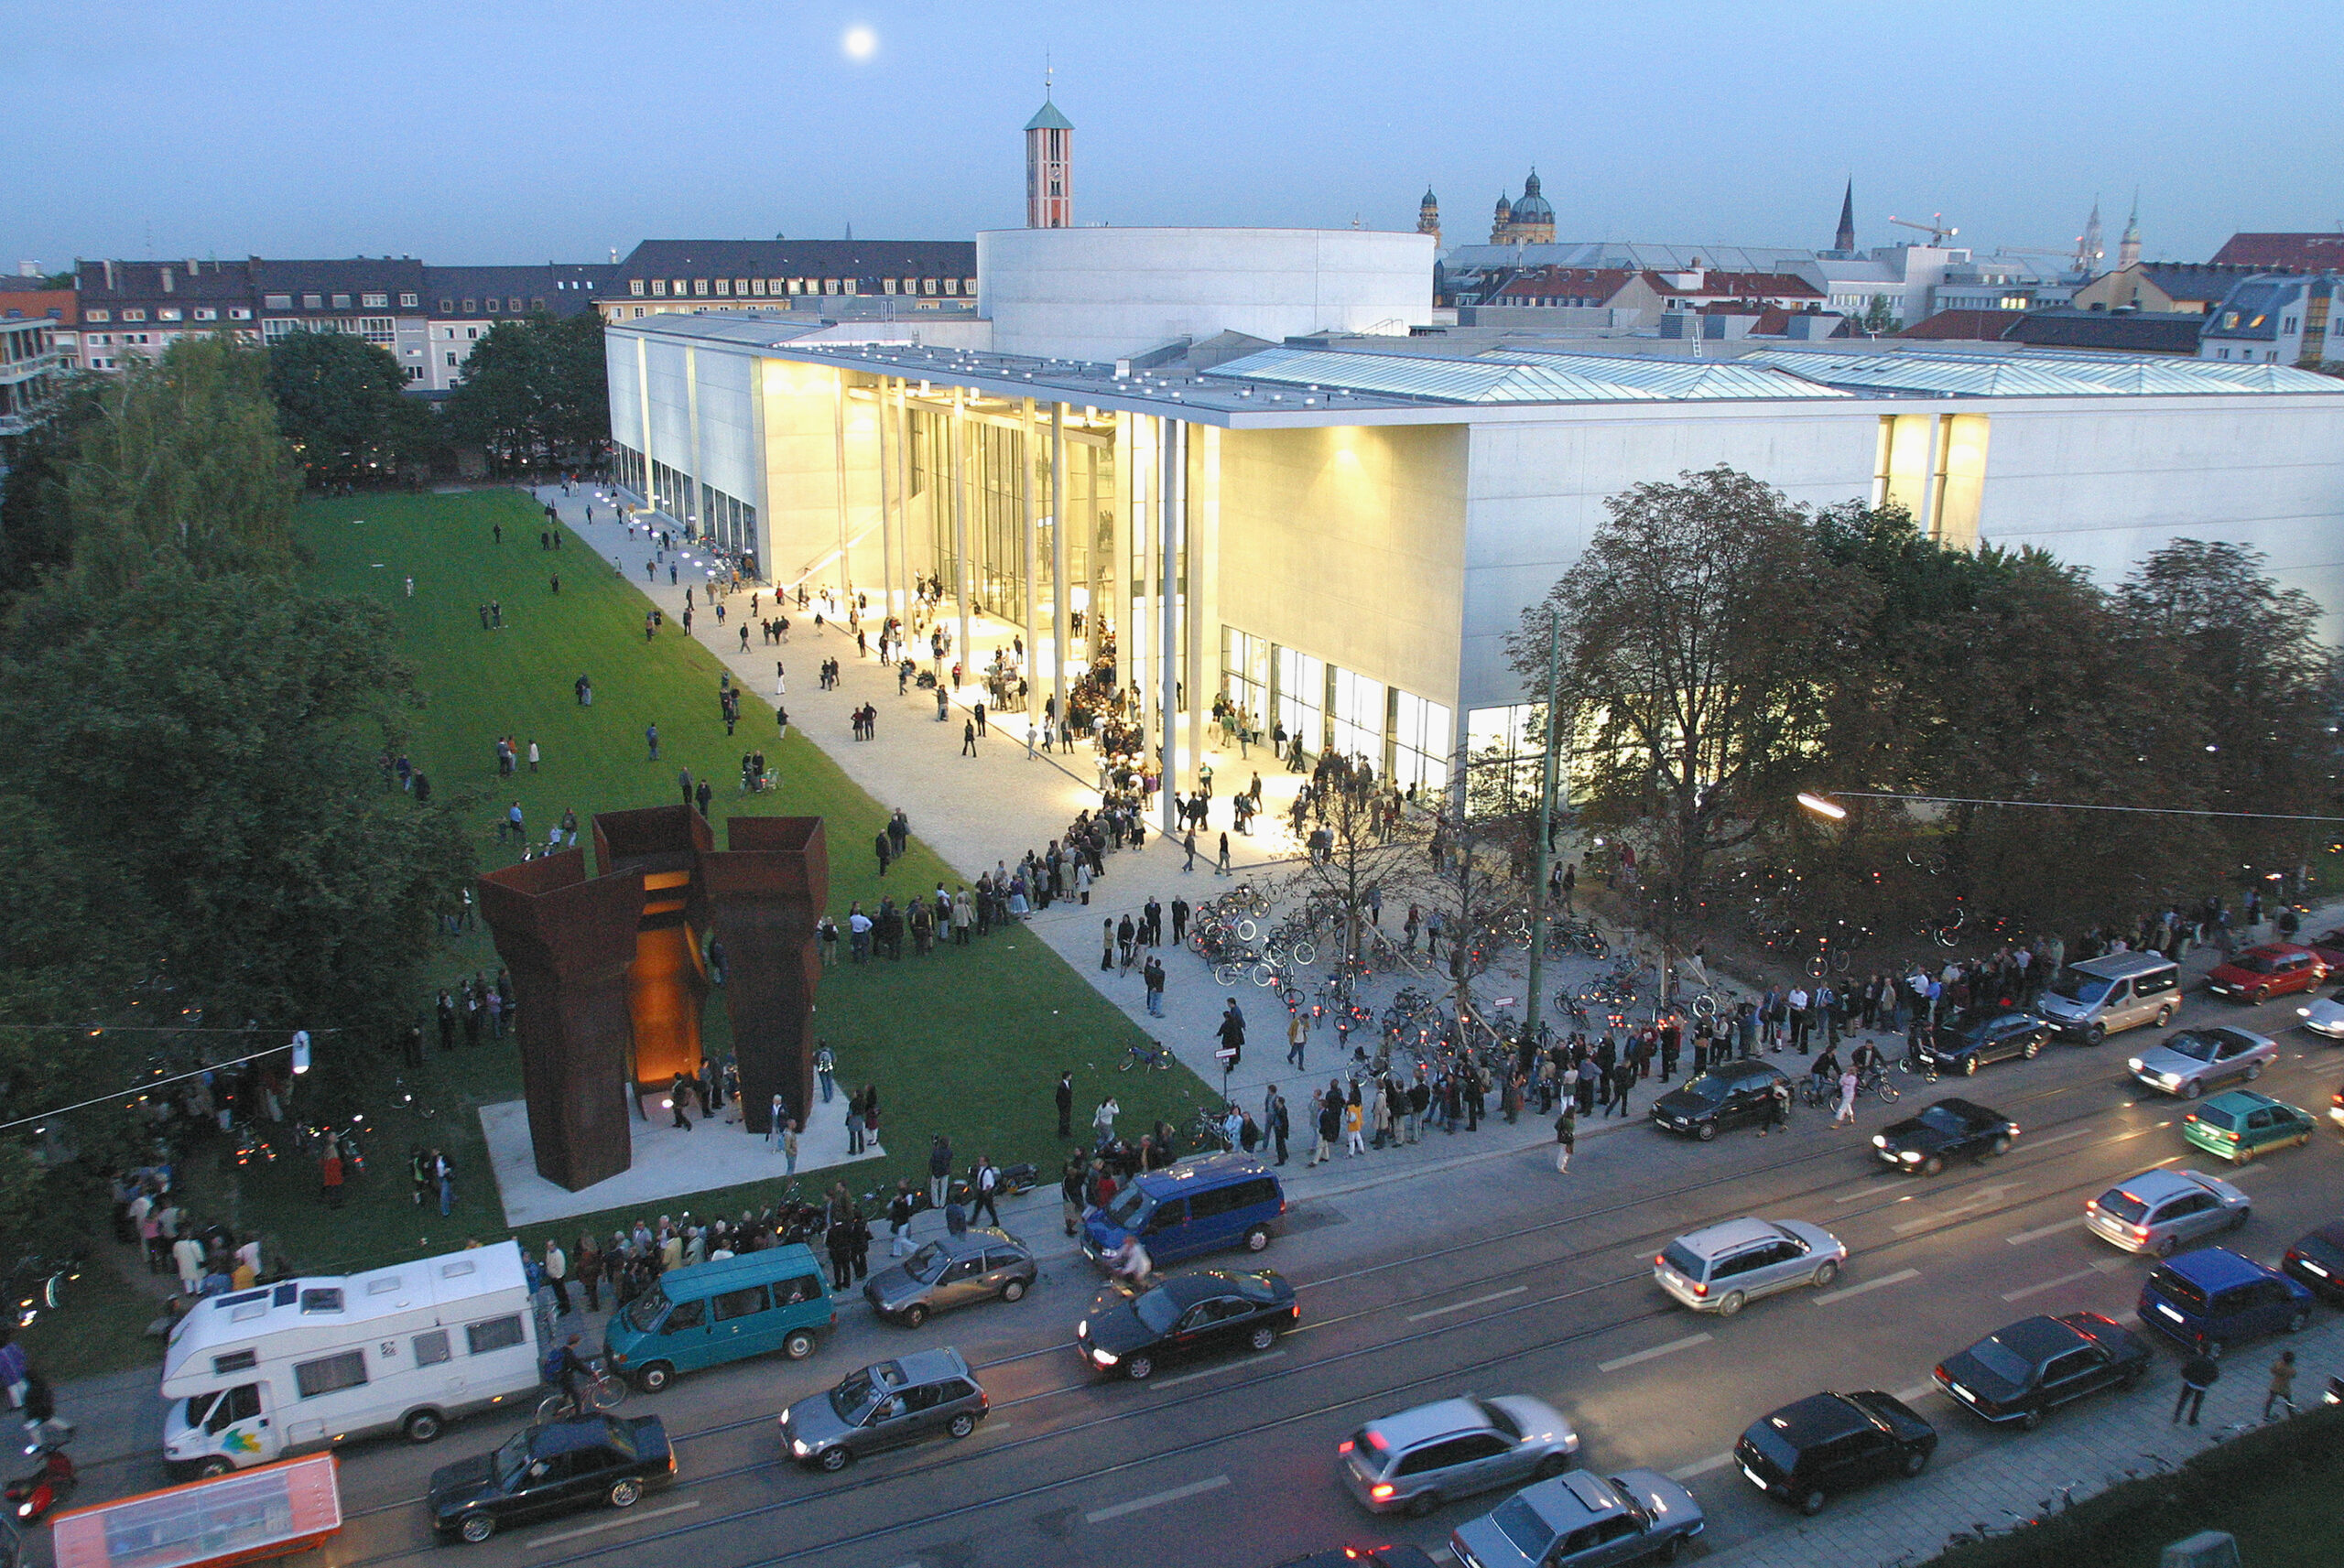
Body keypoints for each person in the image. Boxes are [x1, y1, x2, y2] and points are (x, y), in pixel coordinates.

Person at [2174, 1350, 2219, 1425]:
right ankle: (2192, 1420)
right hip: (2202, 1386)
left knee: (2183, 1400)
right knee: (2197, 1404)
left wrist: (2187, 1377)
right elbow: (2215, 1376)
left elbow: (2185, 1369)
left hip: (2190, 1383)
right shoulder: (2211, 1363)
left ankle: (2177, 1416)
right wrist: (2207, 1382)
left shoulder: (2194, 1359)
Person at [2265, 1350, 2298, 1419]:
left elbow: (2272, 1370)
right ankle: (2291, 1413)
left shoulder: (2278, 1365)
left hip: (2275, 1385)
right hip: (2285, 1387)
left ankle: (2267, 1414)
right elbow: (2293, 1376)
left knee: (2271, 1400)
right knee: (2289, 1401)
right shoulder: (2291, 1369)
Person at [927, 1135, 954, 1208]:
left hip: (937, 1173)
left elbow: (932, 1161)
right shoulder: (949, 1151)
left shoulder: (936, 1152)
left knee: (934, 1187)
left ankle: (935, 1204)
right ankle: (942, 1203)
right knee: (944, 1188)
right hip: (945, 1172)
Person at [1555, 1107, 1577, 1173]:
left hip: (1561, 1137)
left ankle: (1560, 1165)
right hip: (1567, 1139)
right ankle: (1561, 1166)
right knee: (1565, 1152)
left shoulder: (1562, 1118)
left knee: (1563, 1151)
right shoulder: (1569, 1121)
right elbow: (1571, 1131)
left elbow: (1556, 1126)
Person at [1055, 1071, 1075, 1140]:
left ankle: (1066, 1131)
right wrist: (1061, 1106)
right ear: (1066, 1077)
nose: (1071, 1077)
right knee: (1063, 1119)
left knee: (1067, 1118)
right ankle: (1061, 1133)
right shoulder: (1061, 1086)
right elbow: (1058, 1097)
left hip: (1068, 1105)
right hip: (1063, 1106)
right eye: (1070, 1076)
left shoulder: (1068, 1083)